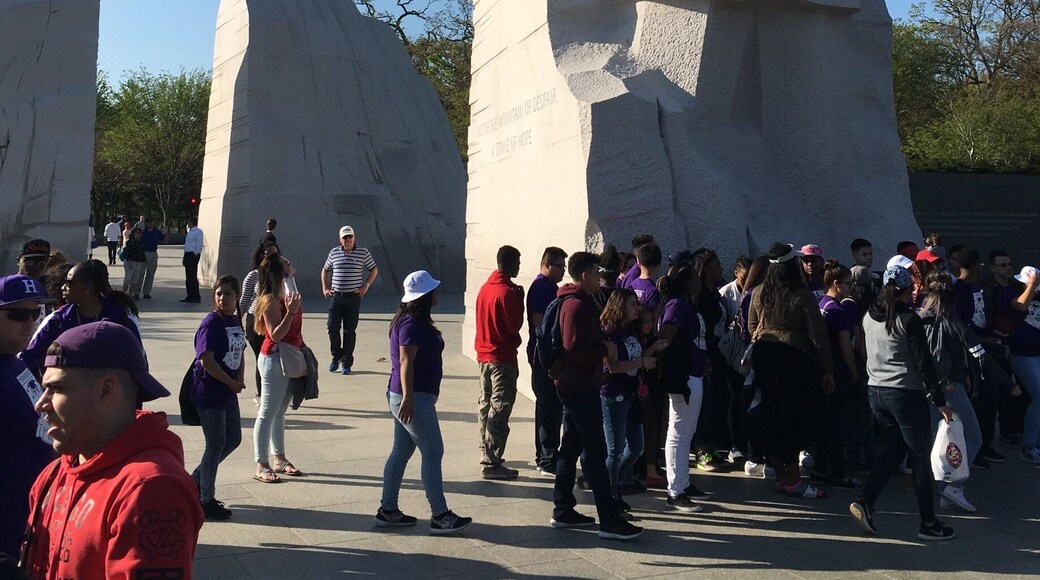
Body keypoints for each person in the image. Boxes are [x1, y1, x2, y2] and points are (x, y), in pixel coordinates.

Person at [23, 321, 203, 577]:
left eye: (56, 389)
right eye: (44, 389)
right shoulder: (54, 473)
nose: (40, 405)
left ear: (106, 390)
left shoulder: (150, 489)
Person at [850, 265, 955, 541]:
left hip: (876, 392)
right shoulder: (909, 320)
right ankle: (929, 523)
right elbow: (924, 364)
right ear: (907, 291)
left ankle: (866, 500)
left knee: (894, 449)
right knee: (919, 456)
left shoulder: (868, 316)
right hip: (905, 394)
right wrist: (940, 401)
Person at [550, 252, 643, 540]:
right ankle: (609, 519)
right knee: (598, 451)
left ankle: (563, 509)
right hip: (579, 387)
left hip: (572, 385)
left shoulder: (574, 302)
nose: (600, 274)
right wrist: (604, 350)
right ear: (585, 275)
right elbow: (574, 348)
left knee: (571, 447)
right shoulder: (577, 306)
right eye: (595, 270)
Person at [377, 270, 473, 534]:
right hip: (413, 397)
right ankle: (440, 514)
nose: (438, 293)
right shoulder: (411, 324)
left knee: (401, 452)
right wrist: (408, 398)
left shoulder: (410, 321)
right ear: (425, 296)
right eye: (434, 290)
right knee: (433, 452)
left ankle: (388, 509)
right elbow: (406, 361)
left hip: (408, 396)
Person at [747, 243, 834, 499]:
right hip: (793, 359)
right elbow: (817, 334)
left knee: (771, 413)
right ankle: (794, 479)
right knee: (793, 418)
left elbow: (752, 325)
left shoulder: (759, 291)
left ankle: (780, 475)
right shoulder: (800, 293)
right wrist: (827, 369)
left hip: (764, 355)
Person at [918, 273, 984, 513]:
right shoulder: (955, 323)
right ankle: (952, 486)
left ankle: (944, 491)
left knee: (937, 439)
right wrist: (1011, 384)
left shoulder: (918, 319)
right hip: (950, 387)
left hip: (927, 386)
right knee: (972, 437)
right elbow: (980, 355)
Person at [0, 275, 54, 559]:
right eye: (19, 314)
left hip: (32, 519)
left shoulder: (15, 359)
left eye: (35, 313)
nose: (30, 322)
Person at [600, 289, 661, 517]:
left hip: (630, 394)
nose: (637, 308)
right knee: (614, 450)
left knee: (636, 447)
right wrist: (643, 362)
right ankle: (610, 496)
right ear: (620, 307)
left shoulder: (629, 330)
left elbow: (635, 356)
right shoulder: (610, 332)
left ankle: (613, 486)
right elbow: (613, 367)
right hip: (613, 395)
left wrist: (651, 351)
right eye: (632, 304)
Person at [21, 259, 140, 377]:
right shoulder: (57, 320)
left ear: (88, 287)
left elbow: (138, 363)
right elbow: (27, 359)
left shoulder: (120, 317)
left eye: (69, 283)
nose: (63, 287)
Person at [191, 275, 247, 520]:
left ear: (237, 296)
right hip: (211, 392)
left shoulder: (235, 320)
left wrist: (240, 379)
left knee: (233, 438)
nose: (223, 298)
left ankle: (194, 480)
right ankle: (206, 499)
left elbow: (240, 351)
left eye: (228, 294)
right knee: (214, 444)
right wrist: (230, 382)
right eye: (219, 294)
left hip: (228, 390)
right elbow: (206, 360)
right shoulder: (211, 323)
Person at [656, 264, 710, 511]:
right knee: (677, 432)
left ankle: (684, 483)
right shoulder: (676, 305)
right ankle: (675, 491)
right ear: (688, 282)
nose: (700, 281)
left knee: (685, 433)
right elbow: (665, 339)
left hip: (694, 373)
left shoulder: (684, 304)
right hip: (684, 377)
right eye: (695, 278)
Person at [474, 245, 525, 480]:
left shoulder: (485, 289)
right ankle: (492, 462)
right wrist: (520, 301)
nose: (520, 266)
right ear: (510, 264)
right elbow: (514, 325)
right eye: (518, 262)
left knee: (486, 403)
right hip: (501, 358)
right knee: (500, 406)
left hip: (484, 355)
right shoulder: (506, 293)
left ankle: (486, 448)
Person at [253, 254, 304, 483]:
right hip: (274, 357)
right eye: (286, 263)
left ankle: (279, 458)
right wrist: (291, 312)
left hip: (288, 356)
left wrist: (290, 277)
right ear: (278, 271)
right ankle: (261, 463)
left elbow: (293, 289)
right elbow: (275, 334)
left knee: (279, 412)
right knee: (266, 412)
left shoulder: (285, 291)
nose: (291, 264)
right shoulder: (270, 299)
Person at [812, 261, 862, 488]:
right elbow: (845, 347)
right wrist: (854, 370)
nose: (850, 288)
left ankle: (821, 469)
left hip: (822, 372)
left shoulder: (820, 305)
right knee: (839, 426)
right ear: (836, 284)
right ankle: (838, 472)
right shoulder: (838, 311)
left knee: (823, 424)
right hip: (839, 372)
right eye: (848, 283)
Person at [527, 246, 567, 476]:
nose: (562, 271)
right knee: (548, 407)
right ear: (547, 265)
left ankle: (546, 454)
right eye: (559, 266)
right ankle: (547, 457)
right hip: (544, 358)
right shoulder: (542, 288)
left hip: (545, 357)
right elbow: (540, 323)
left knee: (550, 408)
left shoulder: (549, 287)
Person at [321, 225, 378, 375]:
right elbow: (325, 269)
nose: (347, 240)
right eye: (345, 237)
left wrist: (366, 285)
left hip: (353, 298)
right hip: (336, 297)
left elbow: (373, 269)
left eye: (350, 237)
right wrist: (325, 287)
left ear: (354, 238)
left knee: (349, 330)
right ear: (340, 239)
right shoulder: (334, 253)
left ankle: (346, 362)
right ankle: (336, 356)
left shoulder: (363, 252)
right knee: (332, 327)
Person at [1004, 266, 1040, 464]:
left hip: (1038, 353)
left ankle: (1036, 442)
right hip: (1022, 354)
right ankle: (1029, 446)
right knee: (1039, 396)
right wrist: (1032, 286)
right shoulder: (1014, 292)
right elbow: (1020, 306)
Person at [629, 243, 663, 312]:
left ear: (638, 262)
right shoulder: (653, 291)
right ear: (659, 264)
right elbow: (654, 319)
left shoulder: (631, 286)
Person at [720, 255, 752, 323]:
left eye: (750, 278)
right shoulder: (726, 293)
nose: (747, 282)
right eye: (743, 278)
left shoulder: (756, 291)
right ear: (736, 273)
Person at [140, 218, 165, 300]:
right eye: (148, 222)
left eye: (151, 222)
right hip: (144, 252)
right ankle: (136, 291)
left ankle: (147, 292)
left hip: (153, 253)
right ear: (146, 223)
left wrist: (164, 231)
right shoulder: (143, 232)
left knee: (150, 274)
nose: (150, 224)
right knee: (140, 273)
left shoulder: (156, 232)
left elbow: (163, 239)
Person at [182, 217, 204, 303]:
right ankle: (189, 295)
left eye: (189, 222)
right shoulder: (189, 231)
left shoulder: (198, 231)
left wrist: (196, 253)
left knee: (192, 276)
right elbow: (187, 244)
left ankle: (195, 296)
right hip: (187, 254)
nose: (188, 224)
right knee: (188, 277)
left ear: (192, 222)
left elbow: (199, 243)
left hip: (193, 254)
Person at [122, 227, 147, 299]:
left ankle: (130, 294)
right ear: (133, 234)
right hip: (130, 261)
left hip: (138, 262)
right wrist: (129, 261)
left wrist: (143, 260)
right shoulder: (130, 242)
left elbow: (142, 253)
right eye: (136, 233)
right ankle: (123, 294)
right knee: (128, 278)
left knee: (135, 279)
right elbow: (127, 252)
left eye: (139, 233)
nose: (138, 234)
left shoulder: (141, 242)